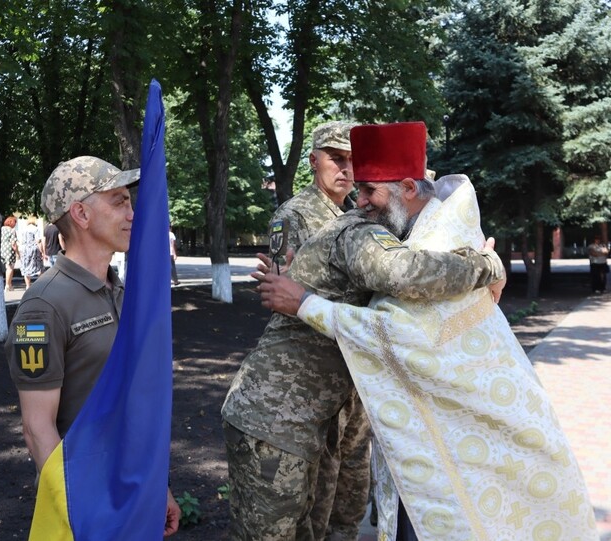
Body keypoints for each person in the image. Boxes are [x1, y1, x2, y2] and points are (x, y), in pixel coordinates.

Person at [253, 135, 597, 539]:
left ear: (408, 189)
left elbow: (398, 332)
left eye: (369, 190)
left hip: (449, 437)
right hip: (443, 424)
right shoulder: (424, 227)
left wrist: (306, 303)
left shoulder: (438, 238)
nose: (359, 202)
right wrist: (310, 276)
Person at [221, 122, 507, 541]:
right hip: (275, 417)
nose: (360, 198)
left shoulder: (375, 227)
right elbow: (408, 273)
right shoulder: (358, 230)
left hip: (309, 418)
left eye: (370, 189)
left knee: (310, 530)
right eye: (363, 189)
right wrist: (488, 266)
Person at [4, 155, 180, 535]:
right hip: (87, 506)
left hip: (133, 493)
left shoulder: (121, 292)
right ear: (81, 214)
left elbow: (133, 405)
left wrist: (156, 487)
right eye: (119, 202)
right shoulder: (44, 306)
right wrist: (81, 509)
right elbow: (37, 428)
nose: (132, 214)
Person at [267, 120, 372, 540]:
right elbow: (282, 293)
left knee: (353, 488)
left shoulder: (359, 214)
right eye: (336, 158)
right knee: (321, 493)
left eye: (352, 161)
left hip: (355, 371)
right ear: (313, 161)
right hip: (316, 374)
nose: (345, 169)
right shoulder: (294, 215)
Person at [19, 216, 44, 290]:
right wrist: (42, 251)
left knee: (26, 267)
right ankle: (40, 285)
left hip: (24, 249)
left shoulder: (23, 229)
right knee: (38, 266)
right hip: (33, 249)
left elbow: (21, 241)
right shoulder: (35, 229)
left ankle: (28, 285)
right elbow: (38, 241)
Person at [1, 216, 20, 292]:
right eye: (15, 222)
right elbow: (13, 244)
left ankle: (10, 284)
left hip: (2, 249)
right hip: (9, 250)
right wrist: (18, 253)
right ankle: (7, 285)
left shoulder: (2, 229)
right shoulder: (12, 230)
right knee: (10, 268)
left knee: (7, 267)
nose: (15, 224)